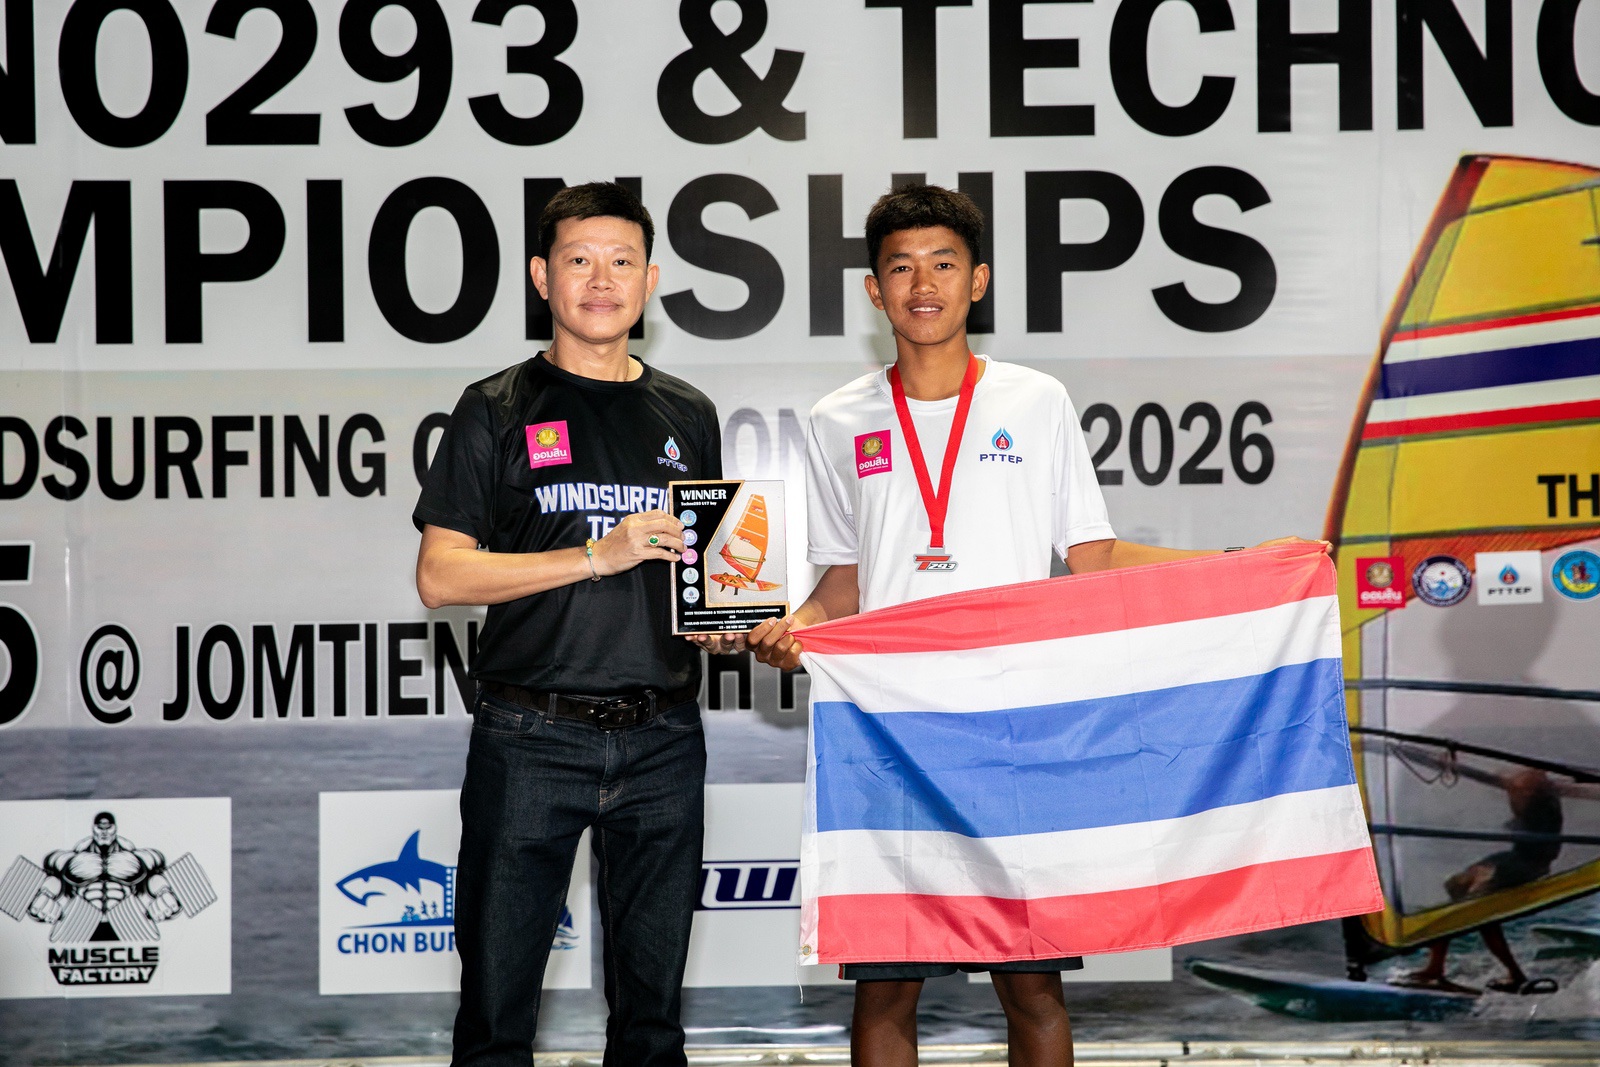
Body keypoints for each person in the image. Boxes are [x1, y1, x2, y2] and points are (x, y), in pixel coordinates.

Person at [744, 183, 1323, 1067]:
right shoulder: (838, 419)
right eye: (901, 267)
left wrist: (1243, 561)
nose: (923, 285)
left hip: (1017, 728)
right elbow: (845, 581)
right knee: (886, 986)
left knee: (1033, 984)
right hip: (890, 729)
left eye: (943, 264)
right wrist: (797, 626)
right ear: (873, 289)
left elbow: (1092, 557)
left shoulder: (1035, 400)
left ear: (978, 281)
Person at [413, 181, 726, 1067]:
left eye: (622, 261)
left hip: (663, 738)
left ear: (650, 280)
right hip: (530, 739)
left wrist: (720, 618)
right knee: (496, 1018)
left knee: (653, 1026)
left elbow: (699, 572)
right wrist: (598, 553)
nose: (601, 279)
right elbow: (440, 574)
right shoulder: (495, 406)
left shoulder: (688, 413)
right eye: (579, 260)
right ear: (541, 277)